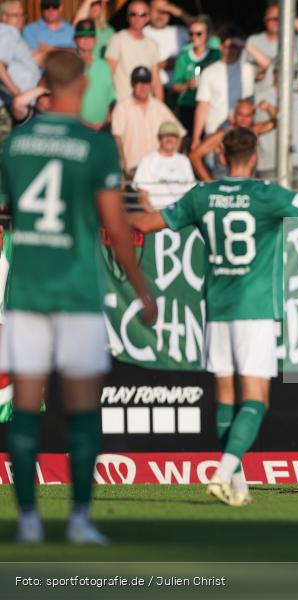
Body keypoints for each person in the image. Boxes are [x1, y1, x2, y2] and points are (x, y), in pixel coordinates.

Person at [130, 127, 298, 507]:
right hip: (254, 308)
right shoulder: (265, 195)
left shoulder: (201, 195)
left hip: (217, 309)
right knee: (256, 399)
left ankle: (237, 487)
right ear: (255, 157)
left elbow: (143, 224)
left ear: (221, 157)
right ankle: (223, 472)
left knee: (226, 399)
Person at [0, 49, 156, 544]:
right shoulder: (96, 145)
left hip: (25, 289)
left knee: (24, 406)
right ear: (83, 84)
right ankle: (80, 520)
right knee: (83, 409)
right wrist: (141, 290)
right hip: (76, 291)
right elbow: (116, 224)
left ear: (44, 83)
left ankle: (26, 520)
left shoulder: (14, 145)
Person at [191, 31, 262, 152]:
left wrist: (245, 45)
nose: (231, 49)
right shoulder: (209, 72)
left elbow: (269, 66)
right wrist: (196, 137)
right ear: (221, 46)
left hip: (242, 133)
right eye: (228, 45)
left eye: (235, 46)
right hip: (215, 133)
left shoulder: (247, 69)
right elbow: (202, 105)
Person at [111, 66, 185, 175]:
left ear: (151, 85)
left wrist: (170, 160)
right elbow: (116, 137)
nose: (143, 87)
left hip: (157, 173)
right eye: (139, 83)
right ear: (132, 84)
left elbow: (179, 133)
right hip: (132, 171)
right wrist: (122, 165)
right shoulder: (122, 107)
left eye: (146, 83)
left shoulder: (159, 107)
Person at [189, 98, 275, 181]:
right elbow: (194, 156)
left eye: (248, 115)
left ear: (253, 116)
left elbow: (277, 122)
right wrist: (209, 183)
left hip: (246, 190)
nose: (244, 119)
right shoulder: (222, 135)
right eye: (240, 114)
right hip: (223, 191)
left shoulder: (253, 131)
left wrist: (268, 107)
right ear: (233, 115)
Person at [170, 15, 219, 138]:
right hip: (188, 106)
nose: (194, 37)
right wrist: (187, 85)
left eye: (198, 34)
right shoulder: (183, 57)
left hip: (211, 107)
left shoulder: (216, 55)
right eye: (191, 33)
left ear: (207, 35)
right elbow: (174, 86)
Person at [105, 1, 163, 102]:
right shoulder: (117, 39)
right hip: (122, 104)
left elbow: (156, 81)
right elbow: (107, 76)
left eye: (142, 14)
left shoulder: (152, 44)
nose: (137, 18)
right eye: (133, 14)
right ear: (127, 17)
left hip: (145, 106)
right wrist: (109, 104)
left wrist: (160, 110)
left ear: (148, 18)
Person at [133, 121, 195, 211]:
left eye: (173, 136)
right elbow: (142, 196)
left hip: (182, 218)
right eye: (165, 135)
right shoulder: (148, 160)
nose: (169, 139)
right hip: (158, 216)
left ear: (178, 139)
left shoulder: (184, 161)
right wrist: (155, 219)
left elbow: (191, 192)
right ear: (159, 138)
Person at [73, 19, 115, 130]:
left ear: (95, 40)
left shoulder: (103, 66)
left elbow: (111, 97)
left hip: (102, 129)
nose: (87, 39)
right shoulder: (68, 66)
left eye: (90, 36)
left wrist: (108, 119)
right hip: (76, 128)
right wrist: (86, 125)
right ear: (75, 40)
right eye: (82, 36)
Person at [143, 0, 191, 95]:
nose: (161, 15)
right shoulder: (142, 33)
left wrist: (179, 12)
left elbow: (202, 28)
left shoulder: (180, 31)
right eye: (157, 10)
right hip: (151, 93)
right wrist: (162, 65)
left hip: (178, 93)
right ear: (148, 11)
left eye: (165, 11)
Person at [0, 0, 39, 97]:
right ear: (4, 17)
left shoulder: (11, 34)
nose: (20, 19)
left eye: (22, 15)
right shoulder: (8, 32)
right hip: (13, 101)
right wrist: (16, 92)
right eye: (15, 15)